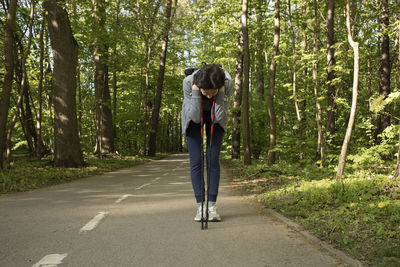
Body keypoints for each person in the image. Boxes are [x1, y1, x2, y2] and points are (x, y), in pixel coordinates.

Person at [181, 63, 232, 222]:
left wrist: (221, 94)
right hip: (192, 117)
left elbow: (219, 118)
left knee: (212, 159)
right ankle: (200, 206)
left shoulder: (227, 83)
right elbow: (195, 117)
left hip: (216, 119)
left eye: (213, 93)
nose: (209, 96)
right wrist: (197, 92)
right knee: (196, 160)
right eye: (206, 92)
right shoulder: (188, 82)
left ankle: (211, 206)